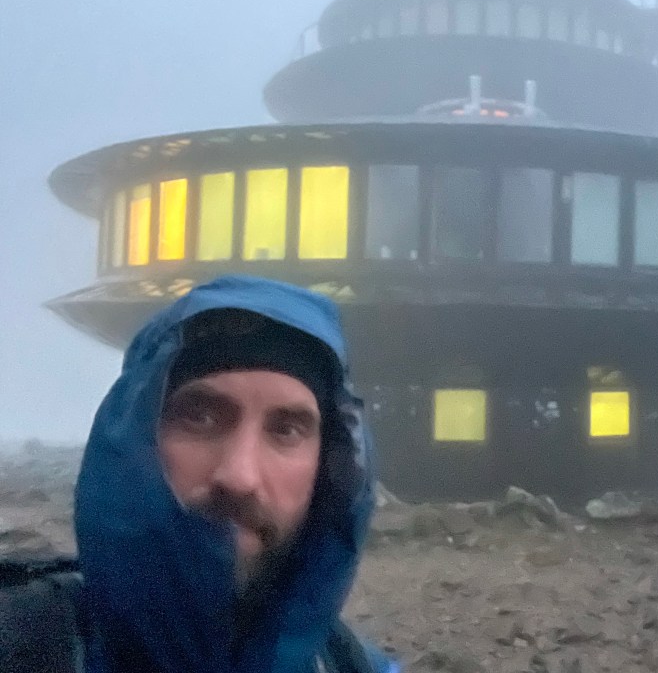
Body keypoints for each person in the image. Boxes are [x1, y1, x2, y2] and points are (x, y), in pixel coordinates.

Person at [0, 274, 397, 673]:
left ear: (329, 466)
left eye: (286, 430)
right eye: (200, 417)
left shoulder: (351, 665)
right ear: (136, 436)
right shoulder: (20, 644)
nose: (240, 477)